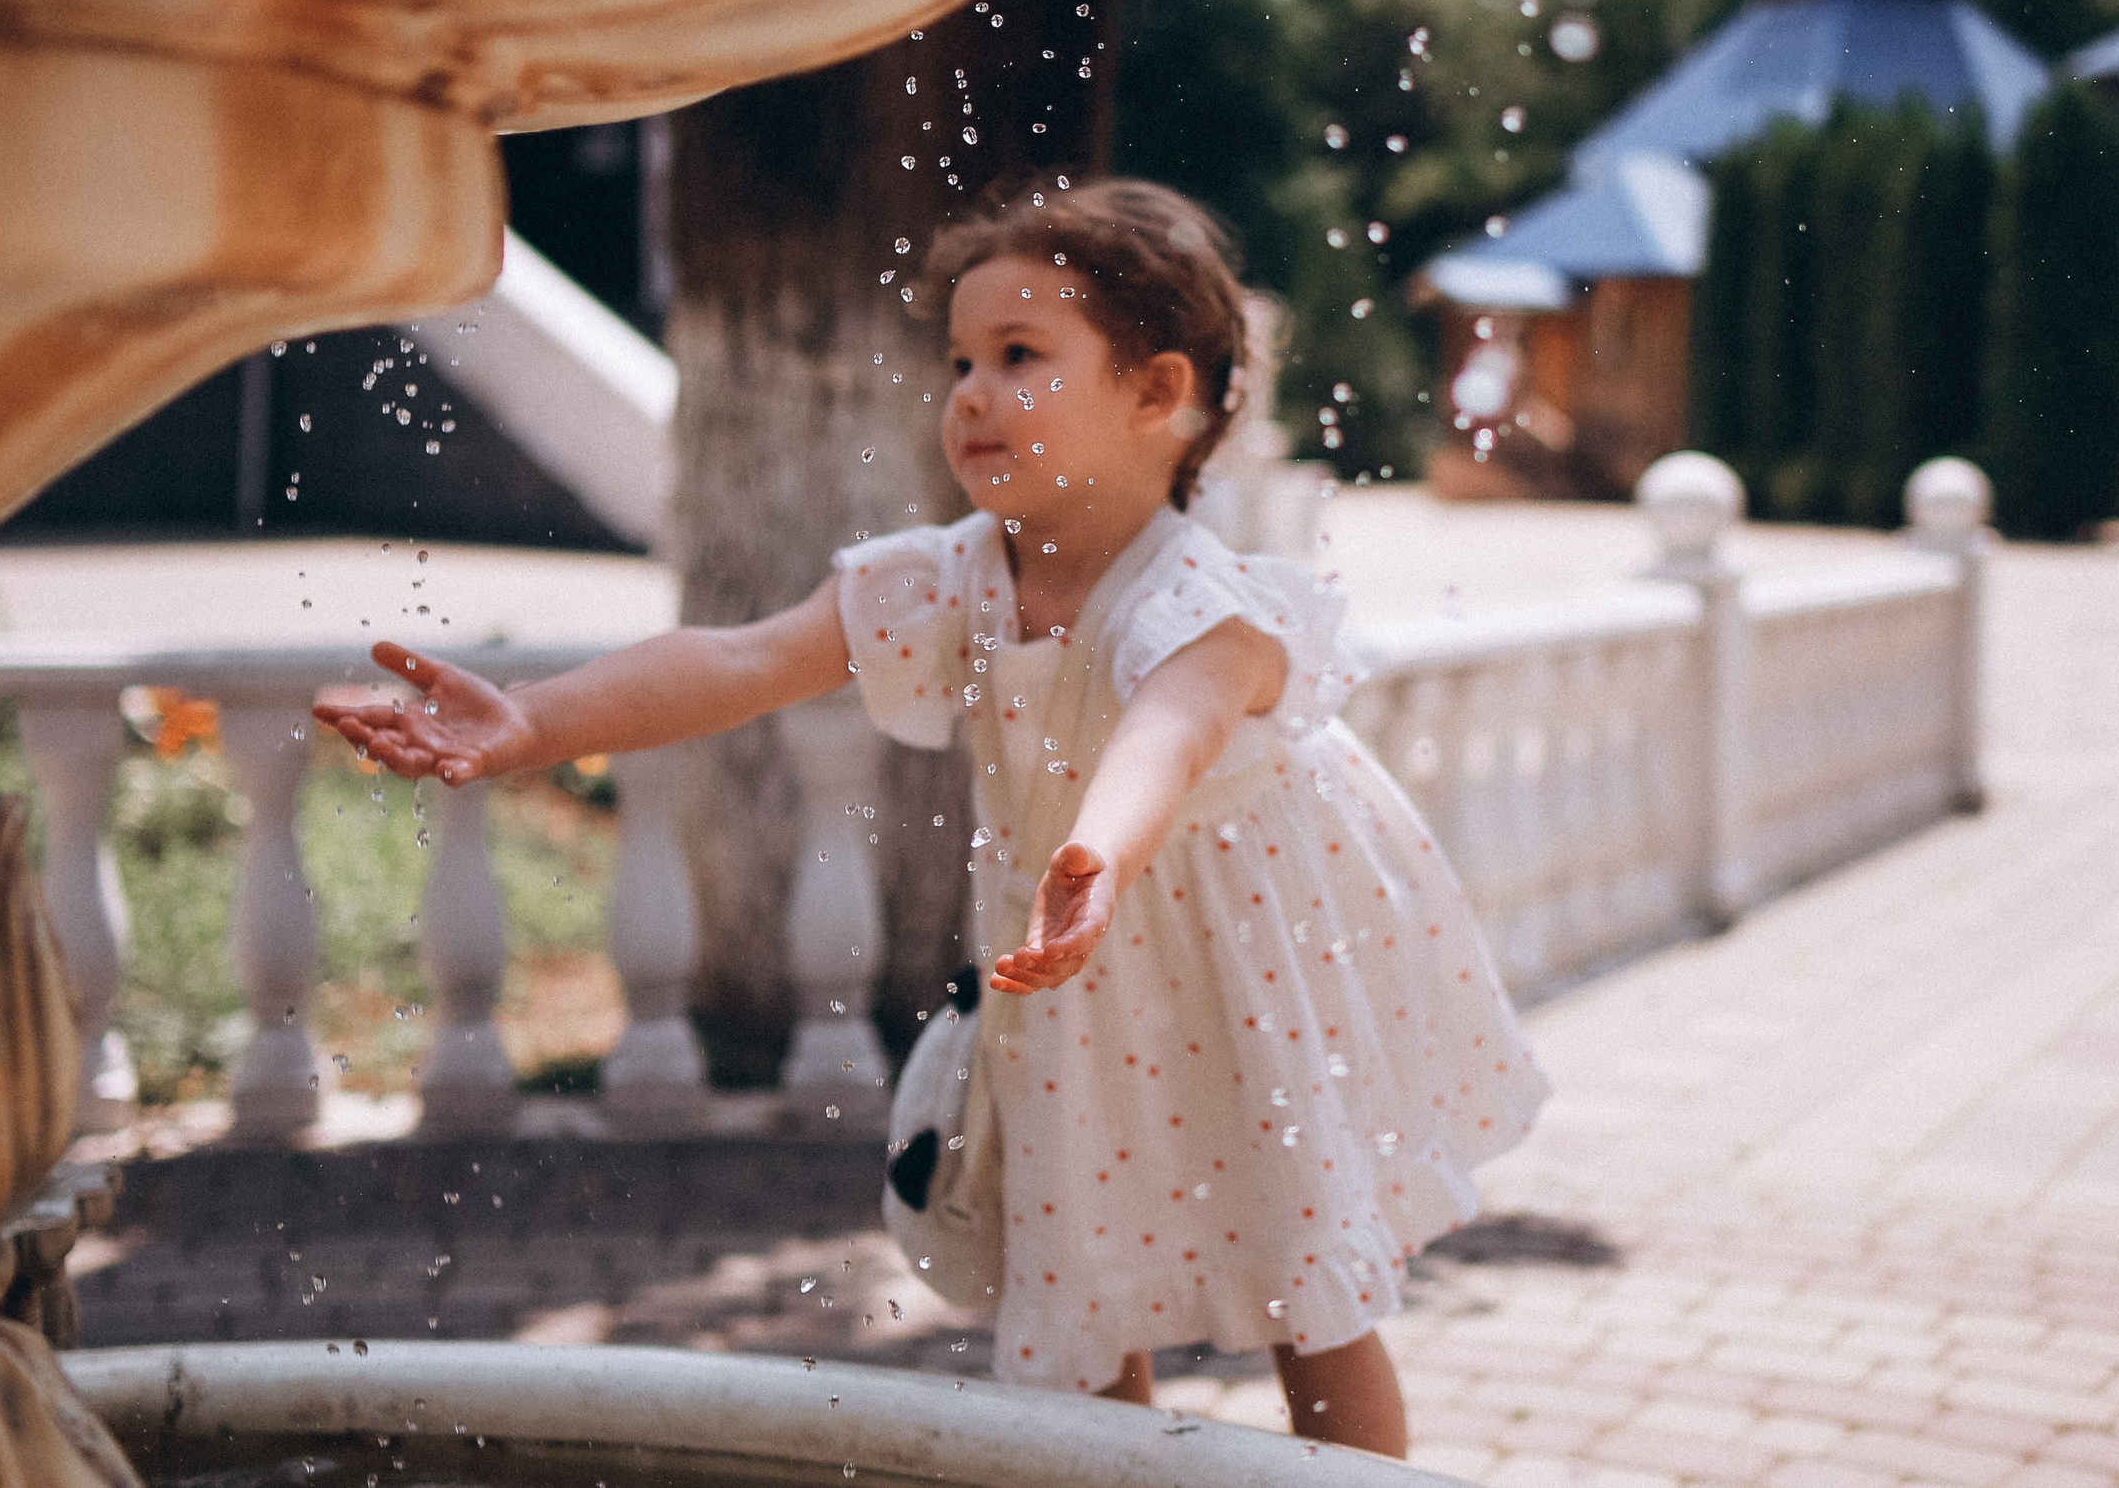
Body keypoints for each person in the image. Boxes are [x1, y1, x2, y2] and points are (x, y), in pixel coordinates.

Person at [315, 178, 1550, 1458]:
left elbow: (1166, 729)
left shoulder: (1204, 600)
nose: (968, 390)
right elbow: (741, 659)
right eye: (959, 358)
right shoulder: (955, 574)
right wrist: (538, 721)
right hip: (1067, 981)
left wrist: (1096, 851)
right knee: (1071, 1289)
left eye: (1020, 355)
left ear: (1155, 392)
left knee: (1309, 1288)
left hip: (1231, 974)